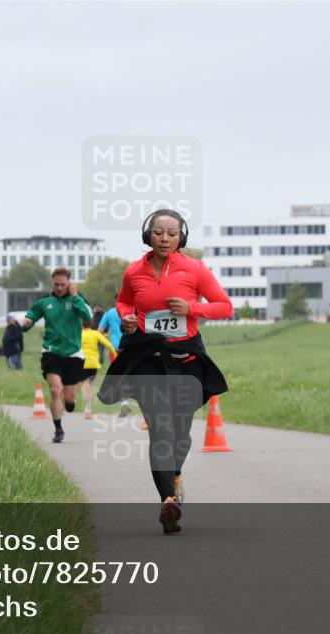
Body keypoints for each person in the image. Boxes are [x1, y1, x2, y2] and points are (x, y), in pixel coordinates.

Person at [99, 209, 232, 534]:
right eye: (158, 232)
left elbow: (224, 306)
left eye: (172, 233)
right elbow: (124, 303)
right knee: (160, 429)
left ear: (181, 237)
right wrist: (128, 318)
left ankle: (174, 478)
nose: (164, 238)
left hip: (185, 359)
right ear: (148, 235)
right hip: (147, 358)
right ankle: (168, 500)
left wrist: (192, 308)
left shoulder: (195, 269)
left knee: (180, 435)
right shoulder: (134, 271)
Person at [22, 268, 93, 443]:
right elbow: (28, 321)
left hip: (73, 354)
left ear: (69, 283)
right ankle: (58, 430)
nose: (60, 288)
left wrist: (76, 297)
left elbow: (88, 319)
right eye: (56, 284)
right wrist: (26, 323)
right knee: (55, 390)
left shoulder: (77, 300)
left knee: (69, 400)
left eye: (63, 284)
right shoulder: (44, 302)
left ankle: (68, 404)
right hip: (51, 352)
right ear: (52, 283)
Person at [99, 295, 132, 417]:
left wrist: (106, 337)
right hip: (129, 348)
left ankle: (124, 401)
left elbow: (100, 331)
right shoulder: (133, 311)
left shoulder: (109, 313)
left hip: (114, 348)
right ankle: (126, 399)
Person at [80, 320, 116, 419]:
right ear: (91, 324)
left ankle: (86, 407)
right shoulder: (96, 334)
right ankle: (88, 408)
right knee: (90, 386)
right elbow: (108, 345)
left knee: (85, 386)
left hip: (81, 363)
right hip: (93, 364)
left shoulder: (79, 334)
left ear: (82, 325)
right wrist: (116, 356)